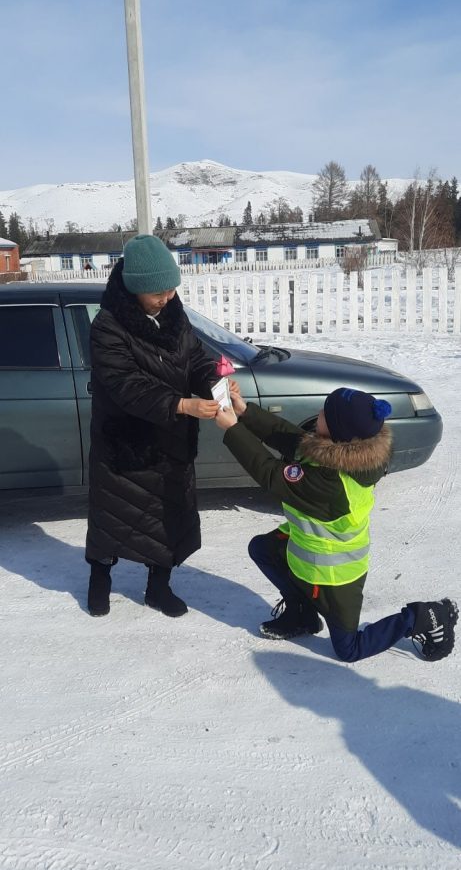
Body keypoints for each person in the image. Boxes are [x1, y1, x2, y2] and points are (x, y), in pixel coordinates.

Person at [215, 386, 457, 663]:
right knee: (262, 549)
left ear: (339, 432)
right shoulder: (339, 453)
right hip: (308, 548)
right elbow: (288, 436)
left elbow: (270, 473)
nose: (319, 414)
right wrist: (245, 411)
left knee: (349, 649)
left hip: (336, 576)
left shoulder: (329, 482)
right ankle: (302, 614)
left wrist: (233, 429)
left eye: (324, 414)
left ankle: (425, 616)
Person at [85, 233, 220, 618]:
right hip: (126, 441)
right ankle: (99, 580)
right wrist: (181, 404)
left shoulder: (175, 316)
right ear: (134, 288)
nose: (167, 297)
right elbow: (126, 385)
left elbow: (196, 359)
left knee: (168, 518)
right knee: (112, 518)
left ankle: (158, 588)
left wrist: (216, 384)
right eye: (158, 292)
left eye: (171, 289)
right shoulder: (108, 326)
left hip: (172, 437)